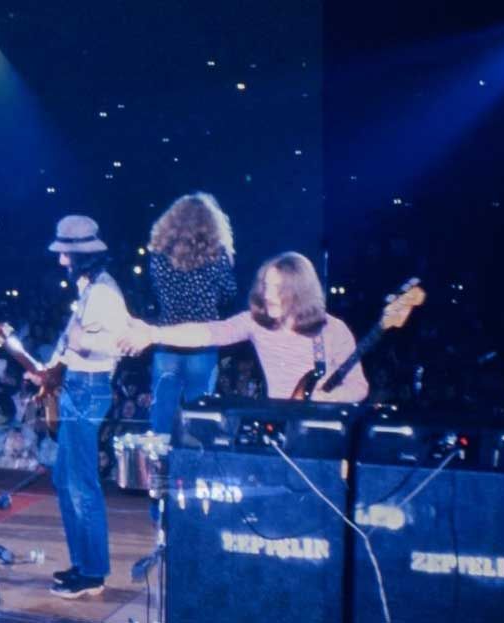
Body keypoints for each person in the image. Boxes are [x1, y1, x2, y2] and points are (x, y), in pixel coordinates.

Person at [32, 215, 130, 599]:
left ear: (80, 255)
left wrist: (73, 342)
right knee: (65, 481)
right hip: (79, 386)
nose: (60, 261)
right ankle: (83, 565)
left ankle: (92, 573)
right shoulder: (93, 289)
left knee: (81, 485)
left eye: (65, 254)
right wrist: (52, 369)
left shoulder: (103, 293)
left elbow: (105, 346)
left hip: (88, 388)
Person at [122, 251, 368, 403]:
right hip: (278, 429)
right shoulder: (257, 322)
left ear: (300, 292)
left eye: (277, 289)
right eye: (266, 286)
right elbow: (206, 333)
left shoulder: (333, 330)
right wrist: (154, 333)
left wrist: (330, 398)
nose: (268, 295)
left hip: (322, 434)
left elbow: (359, 387)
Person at [145, 192, 238, 435]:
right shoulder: (216, 256)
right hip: (203, 342)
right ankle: (195, 466)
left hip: (167, 342)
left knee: (162, 412)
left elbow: (154, 291)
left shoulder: (158, 257)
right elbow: (229, 293)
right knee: (199, 413)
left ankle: (160, 467)